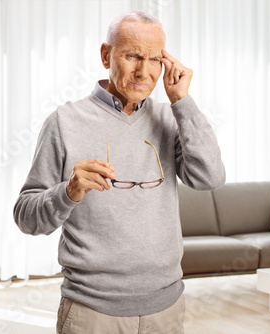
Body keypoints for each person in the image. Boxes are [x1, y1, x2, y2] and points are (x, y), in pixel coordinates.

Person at [13, 11, 225, 334]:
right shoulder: (64, 122)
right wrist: (67, 192)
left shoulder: (171, 119)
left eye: (155, 59)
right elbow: (26, 216)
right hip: (92, 312)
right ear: (105, 55)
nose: (144, 71)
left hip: (166, 309)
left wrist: (182, 101)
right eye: (132, 56)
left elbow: (210, 177)